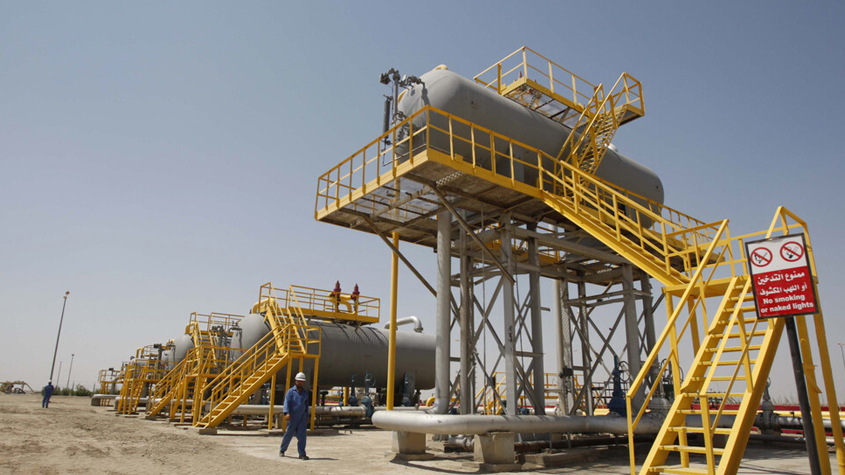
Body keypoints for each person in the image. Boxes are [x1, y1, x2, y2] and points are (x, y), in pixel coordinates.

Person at [279, 372, 311, 460]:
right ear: (295, 381)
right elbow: (287, 403)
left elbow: (306, 406)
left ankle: (302, 454)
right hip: (292, 417)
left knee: (302, 436)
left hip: (302, 418)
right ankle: (282, 450)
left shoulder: (305, 393)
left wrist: (307, 416)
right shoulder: (291, 392)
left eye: (302, 381)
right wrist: (286, 413)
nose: (300, 382)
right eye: (299, 381)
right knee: (289, 434)